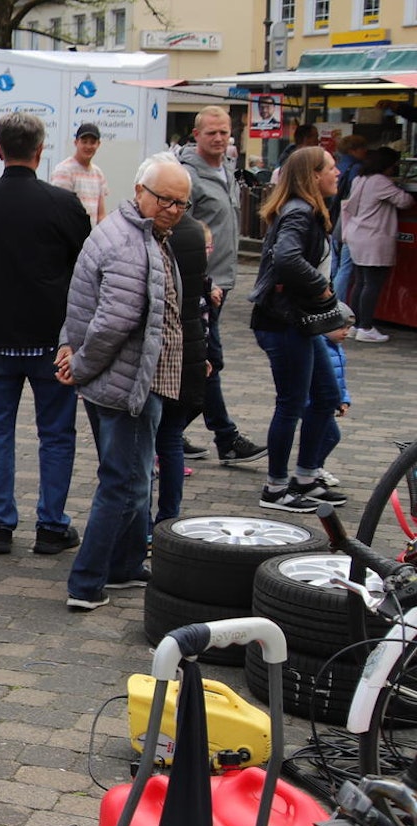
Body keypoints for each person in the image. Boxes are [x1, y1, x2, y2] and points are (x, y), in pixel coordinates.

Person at [57, 154, 190, 611]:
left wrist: (70, 349)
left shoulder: (123, 230)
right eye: (165, 200)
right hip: (126, 384)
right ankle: (87, 583)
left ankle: (127, 564)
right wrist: (82, 363)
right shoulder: (134, 245)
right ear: (139, 192)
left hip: (117, 380)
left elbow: (79, 302)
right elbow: (112, 322)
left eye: (181, 203)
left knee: (131, 477)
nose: (173, 209)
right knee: (124, 482)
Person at [0, 111, 91, 556]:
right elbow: (84, 264)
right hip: (50, 337)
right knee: (55, 433)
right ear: (41, 151)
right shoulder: (63, 203)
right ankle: (51, 524)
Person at [250, 145, 352, 514]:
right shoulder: (299, 212)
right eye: (330, 166)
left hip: (298, 323)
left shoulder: (305, 211)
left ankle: (306, 477)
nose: (337, 172)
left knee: (325, 397)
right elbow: (287, 257)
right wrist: (321, 288)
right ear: (312, 175)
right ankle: (275, 488)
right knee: (291, 403)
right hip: (283, 323)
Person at [177, 106, 268, 467]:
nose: (218, 138)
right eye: (211, 132)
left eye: (224, 132)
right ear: (196, 134)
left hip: (222, 281)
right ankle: (221, 436)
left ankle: (177, 430)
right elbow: (178, 233)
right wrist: (198, 282)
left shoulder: (227, 167)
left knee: (206, 361)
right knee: (208, 360)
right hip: (200, 285)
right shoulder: (186, 175)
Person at [157, 213, 213, 524]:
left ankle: (143, 529)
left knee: (151, 442)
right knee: (170, 438)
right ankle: (168, 520)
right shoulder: (194, 232)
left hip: (165, 353)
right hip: (190, 346)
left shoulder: (159, 235)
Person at [339, 147, 410, 344]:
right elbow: (404, 201)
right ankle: (366, 327)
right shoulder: (380, 181)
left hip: (357, 234)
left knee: (360, 281)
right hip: (374, 237)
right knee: (373, 283)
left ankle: (355, 324)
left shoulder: (360, 179)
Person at [331, 133, 368, 303]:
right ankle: (338, 306)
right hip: (349, 220)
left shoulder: (338, 165)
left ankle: (331, 302)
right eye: (363, 148)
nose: (366, 151)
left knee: (335, 263)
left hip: (336, 217)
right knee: (345, 267)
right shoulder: (356, 168)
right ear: (354, 150)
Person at [51, 122, 108, 224]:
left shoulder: (98, 174)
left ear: (98, 144)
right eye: (84, 142)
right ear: (76, 142)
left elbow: (101, 214)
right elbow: (60, 209)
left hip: (92, 237)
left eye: (92, 142)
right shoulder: (64, 170)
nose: (88, 146)